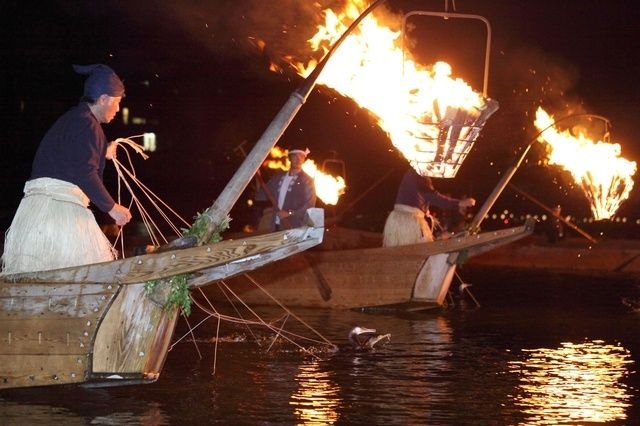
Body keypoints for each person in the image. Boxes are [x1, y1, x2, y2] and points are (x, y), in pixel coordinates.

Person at [1, 64, 132, 274]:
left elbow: (70, 157)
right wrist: (112, 208)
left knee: (40, 282)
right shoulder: (88, 125)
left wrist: (103, 151)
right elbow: (85, 173)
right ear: (103, 99)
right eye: (116, 103)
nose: (118, 109)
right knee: (82, 279)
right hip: (58, 213)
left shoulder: (74, 119)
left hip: (39, 212)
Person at [383, 168, 476, 247]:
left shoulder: (414, 173)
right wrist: (460, 203)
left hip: (402, 220)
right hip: (407, 221)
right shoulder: (418, 174)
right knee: (420, 252)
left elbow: (425, 197)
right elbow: (434, 197)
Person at [256, 148, 316, 232]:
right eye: (295, 156)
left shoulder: (307, 181)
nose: (298, 159)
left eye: (301, 156)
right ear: (289, 158)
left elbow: (309, 205)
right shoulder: (278, 177)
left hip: (293, 226)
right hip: (275, 224)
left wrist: (289, 213)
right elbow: (263, 194)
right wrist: (257, 177)